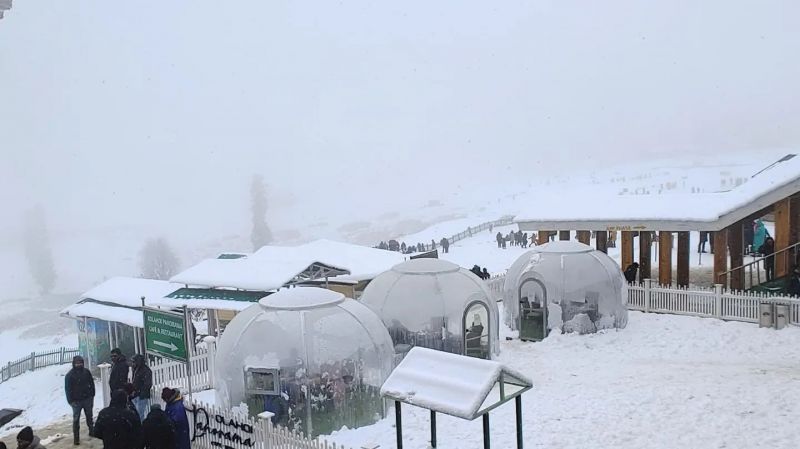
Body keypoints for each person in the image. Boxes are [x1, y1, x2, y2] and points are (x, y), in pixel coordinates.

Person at [65, 355, 95, 445]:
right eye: (77, 363)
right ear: (74, 364)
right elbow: (68, 389)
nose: (79, 364)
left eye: (80, 362)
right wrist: (70, 401)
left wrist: (92, 395)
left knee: (89, 416)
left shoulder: (86, 372)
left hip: (87, 399)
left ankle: (92, 431)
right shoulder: (69, 375)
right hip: (76, 402)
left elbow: (91, 383)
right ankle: (76, 438)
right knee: (76, 420)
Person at [130, 354, 153, 422]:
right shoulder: (136, 369)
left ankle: (141, 428)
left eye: (134, 362)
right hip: (136, 395)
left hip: (142, 396)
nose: (132, 363)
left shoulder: (146, 370)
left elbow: (147, 384)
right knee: (137, 414)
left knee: (140, 415)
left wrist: (140, 392)